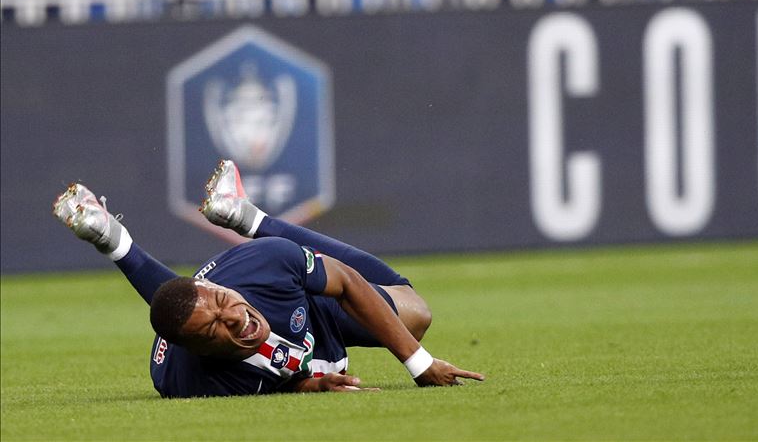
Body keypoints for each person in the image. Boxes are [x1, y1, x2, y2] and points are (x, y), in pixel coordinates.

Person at [53, 160, 483, 397]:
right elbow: (266, 379)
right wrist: (312, 384)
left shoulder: (265, 268)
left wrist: (419, 365)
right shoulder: (189, 382)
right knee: (185, 311)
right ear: (200, 353)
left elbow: (349, 282)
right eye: (216, 330)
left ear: (220, 288)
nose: (236, 320)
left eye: (224, 304)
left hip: (305, 303)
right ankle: (112, 239)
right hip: (211, 326)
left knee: (417, 314)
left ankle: (248, 218)